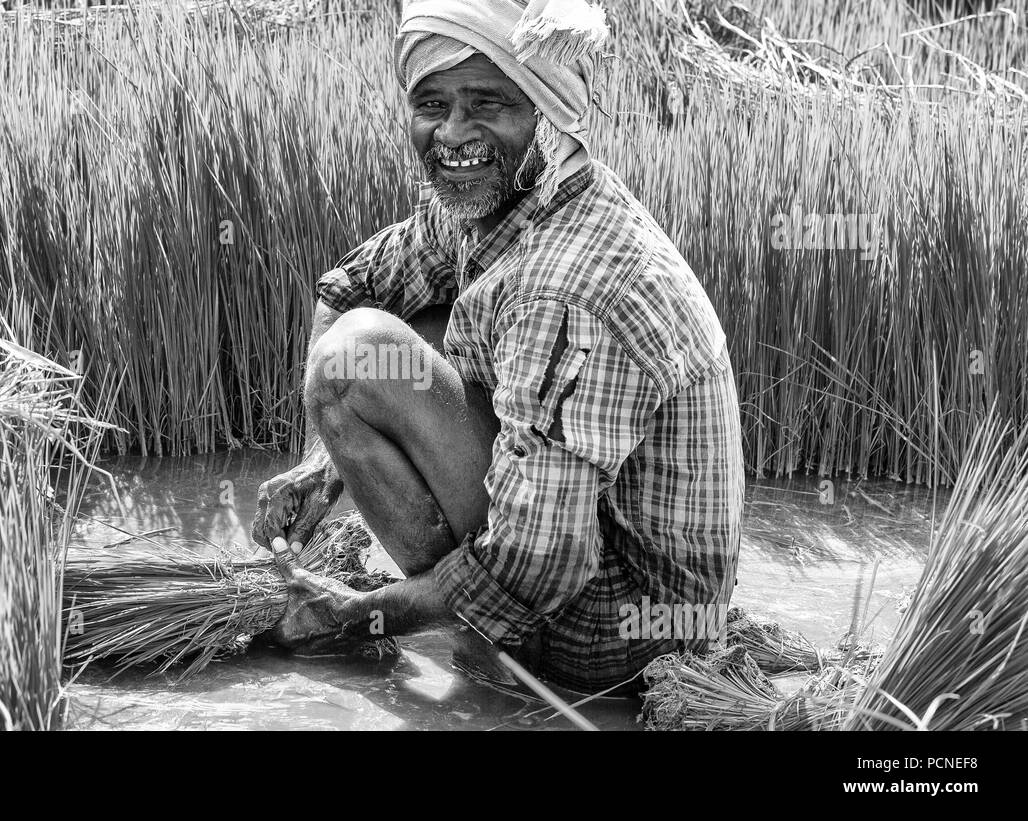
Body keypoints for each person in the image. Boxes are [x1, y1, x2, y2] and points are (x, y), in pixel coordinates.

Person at [251, 0, 744, 695]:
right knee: (410, 326)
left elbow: (538, 565)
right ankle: (450, 616)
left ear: (547, 108)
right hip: (578, 552)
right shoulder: (500, 199)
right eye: (432, 102)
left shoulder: (568, 286)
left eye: (489, 102)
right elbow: (353, 282)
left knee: (353, 358)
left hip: (626, 637)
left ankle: (475, 653)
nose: (453, 133)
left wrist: (362, 617)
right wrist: (317, 466)